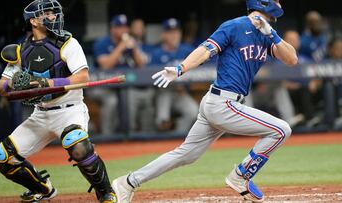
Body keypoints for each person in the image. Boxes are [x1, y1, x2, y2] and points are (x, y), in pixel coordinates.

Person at [112, 0, 297, 202]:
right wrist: (181, 68)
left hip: (222, 103)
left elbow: (291, 60)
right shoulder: (235, 26)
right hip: (223, 104)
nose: (278, 2)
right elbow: (205, 50)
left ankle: (128, 182)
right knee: (281, 130)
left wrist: (272, 33)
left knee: (185, 154)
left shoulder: (267, 35)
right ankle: (241, 176)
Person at [0, 1, 116, 202]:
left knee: (77, 145)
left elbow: (83, 78)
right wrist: (14, 84)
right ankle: (43, 189)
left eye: (53, 13)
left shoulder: (68, 43)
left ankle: (106, 193)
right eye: (47, 14)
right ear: (33, 21)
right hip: (40, 113)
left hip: (70, 110)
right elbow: (1, 86)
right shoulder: (20, 49)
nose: (53, 17)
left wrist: (45, 82)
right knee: (1, 157)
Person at [90, 14, 148, 134]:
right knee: (112, 101)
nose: (123, 30)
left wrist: (134, 49)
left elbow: (142, 65)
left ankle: (128, 132)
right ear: (112, 29)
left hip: (125, 85)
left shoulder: (131, 43)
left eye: (125, 27)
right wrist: (121, 46)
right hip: (103, 86)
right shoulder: (102, 43)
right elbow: (105, 65)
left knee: (133, 97)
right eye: (119, 27)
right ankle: (107, 135)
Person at [150, 18, 199, 133]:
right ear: (164, 35)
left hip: (181, 93)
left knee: (193, 111)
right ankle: (162, 132)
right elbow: (149, 78)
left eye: (176, 32)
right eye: (170, 32)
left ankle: (176, 136)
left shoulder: (187, 50)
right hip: (162, 92)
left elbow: (204, 66)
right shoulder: (156, 54)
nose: (174, 35)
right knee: (163, 117)